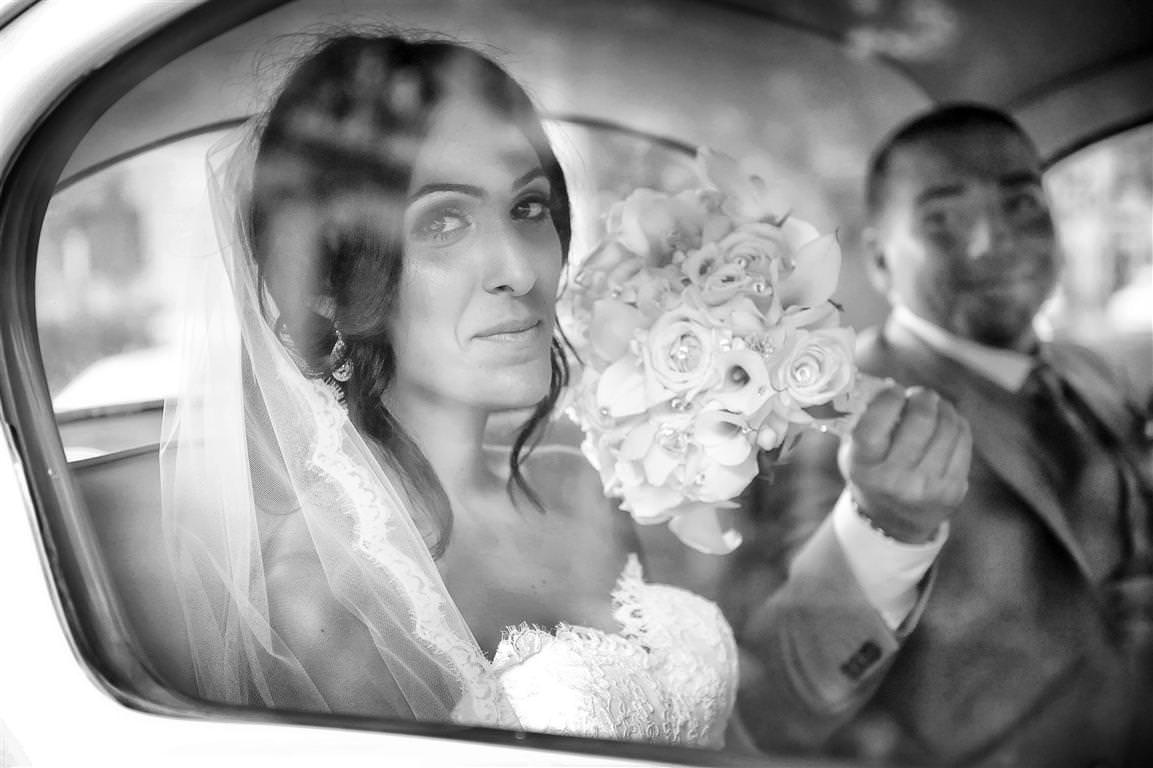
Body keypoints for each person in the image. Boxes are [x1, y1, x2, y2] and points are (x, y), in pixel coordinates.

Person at [160, 31, 971, 750]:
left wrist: (887, 521)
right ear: (334, 286)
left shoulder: (579, 483)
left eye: (527, 206)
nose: (519, 271)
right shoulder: (326, 589)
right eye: (442, 222)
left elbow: (747, 723)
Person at [745, 103, 1153, 766]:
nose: (994, 242)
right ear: (879, 259)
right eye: (942, 218)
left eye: (1021, 203)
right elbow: (783, 691)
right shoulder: (830, 413)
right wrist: (883, 524)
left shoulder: (1094, 374)